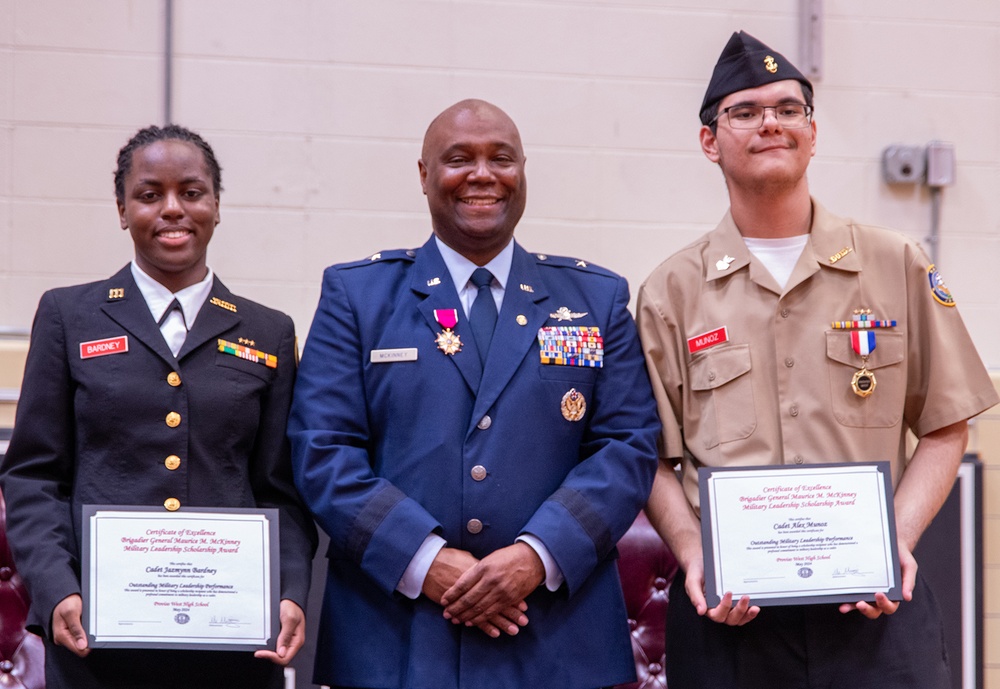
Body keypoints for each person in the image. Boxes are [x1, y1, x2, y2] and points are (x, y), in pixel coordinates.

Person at [637, 31, 999, 689]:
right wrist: (694, 553)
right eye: (744, 111)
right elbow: (652, 457)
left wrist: (899, 537)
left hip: (877, 615)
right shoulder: (672, 291)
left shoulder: (895, 264)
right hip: (729, 623)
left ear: (812, 130)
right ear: (709, 141)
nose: (769, 122)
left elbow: (946, 423)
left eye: (787, 107)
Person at [288, 98, 660, 689]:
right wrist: (424, 560)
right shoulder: (358, 296)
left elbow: (627, 445)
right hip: (398, 635)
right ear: (424, 174)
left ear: (523, 171)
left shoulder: (594, 297)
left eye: (501, 159)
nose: (482, 175)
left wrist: (537, 556)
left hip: (554, 635)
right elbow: (322, 450)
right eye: (459, 159)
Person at [0, 124, 317, 689]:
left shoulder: (269, 331)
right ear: (122, 210)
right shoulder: (70, 316)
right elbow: (32, 475)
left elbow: (281, 489)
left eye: (192, 193)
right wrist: (56, 588)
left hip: (233, 646)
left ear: (216, 206)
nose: (173, 209)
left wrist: (288, 591)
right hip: (95, 639)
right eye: (150, 195)